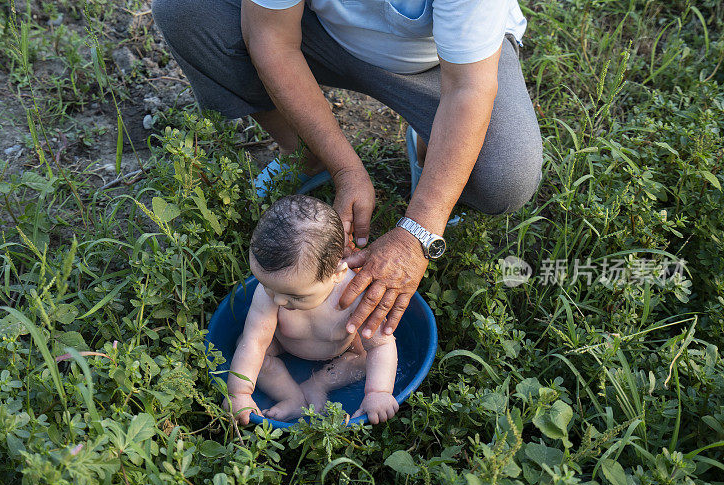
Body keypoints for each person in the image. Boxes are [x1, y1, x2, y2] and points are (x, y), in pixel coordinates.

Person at [152, 0, 543, 343]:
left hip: (438, 65)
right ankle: (308, 154)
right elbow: (271, 37)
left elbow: (469, 88)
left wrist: (418, 232)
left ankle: (428, 148)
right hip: (320, 35)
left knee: (504, 175)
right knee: (187, 9)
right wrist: (345, 168)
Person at [224, 195, 399, 425]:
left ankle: (319, 384)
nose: (277, 300)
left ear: (337, 274)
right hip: (285, 345)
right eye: (266, 285)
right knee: (247, 348)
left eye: (295, 296)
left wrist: (378, 392)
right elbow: (255, 343)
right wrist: (239, 393)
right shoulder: (271, 294)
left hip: (342, 350)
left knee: (366, 358)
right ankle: (292, 396)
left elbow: (382, 344)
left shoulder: (355, 294)